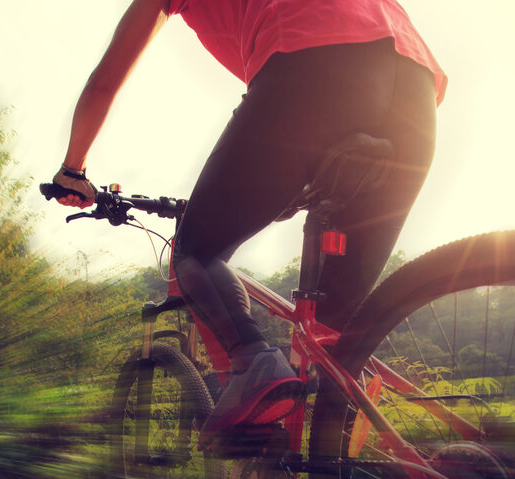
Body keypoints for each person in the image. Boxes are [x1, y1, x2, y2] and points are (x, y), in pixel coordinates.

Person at [52, 0, 446, 446]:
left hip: (317, 57)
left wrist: (73, 170)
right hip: (416, 86)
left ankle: (254, 366)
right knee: (334, 341)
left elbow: (104, 84)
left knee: (196, 249)